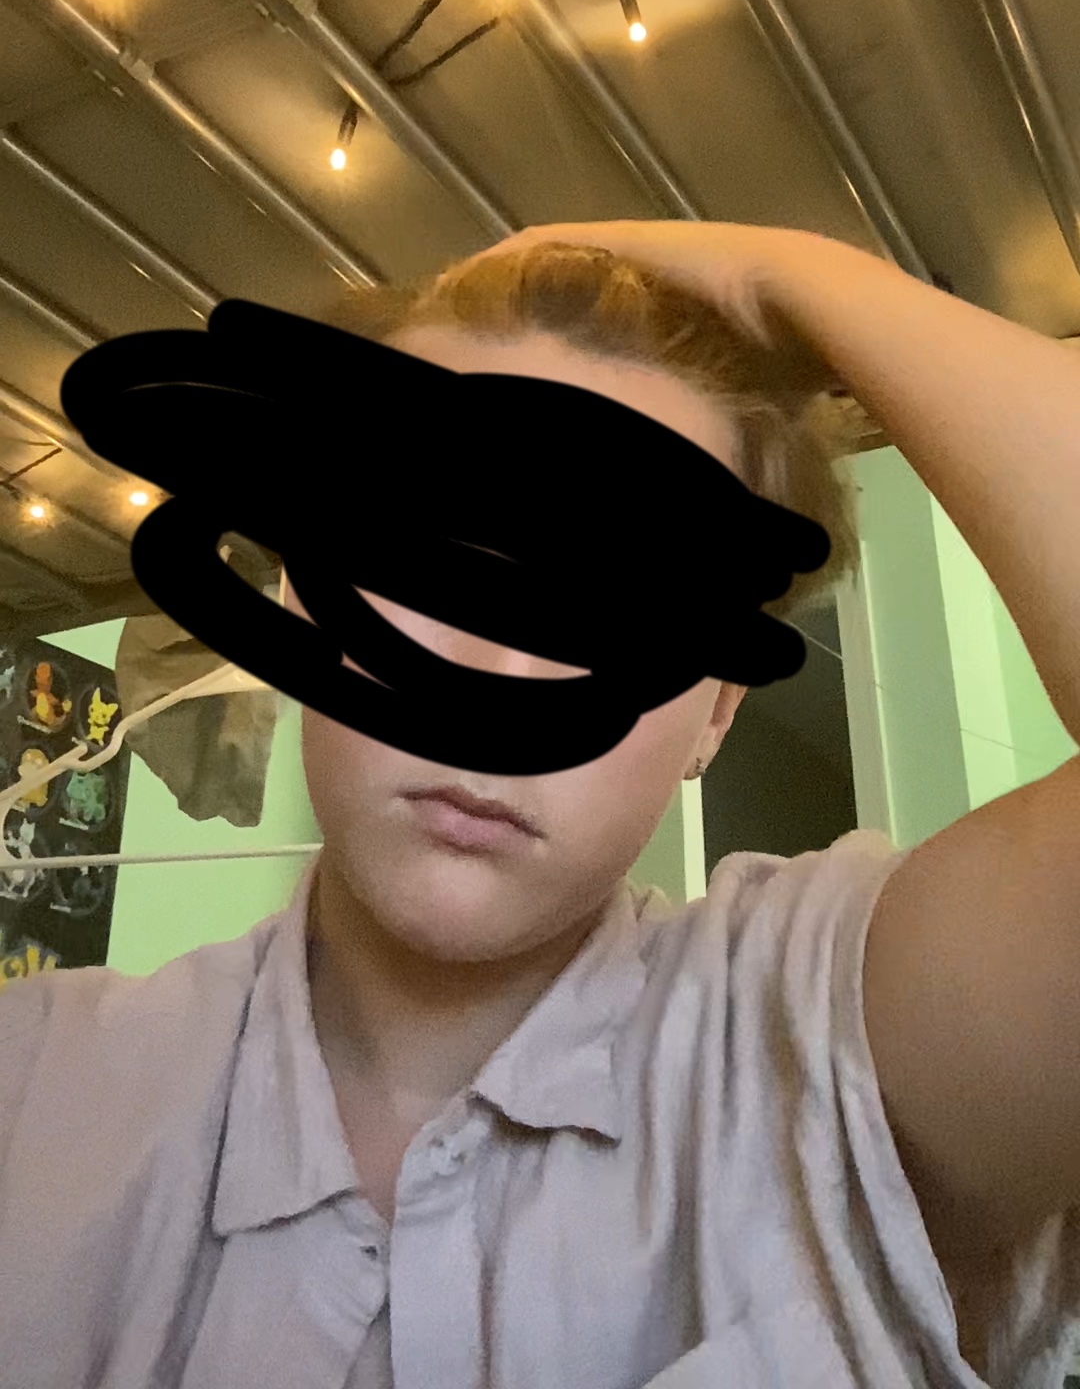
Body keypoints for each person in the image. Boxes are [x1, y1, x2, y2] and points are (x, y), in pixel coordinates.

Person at [2, 218, 1079, 1389]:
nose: (498, 672)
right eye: (431, 557)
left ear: (714, 715)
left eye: (615, 604)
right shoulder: (33, 1086)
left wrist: (778, 274)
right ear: (304, 595)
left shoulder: (840, 1045)